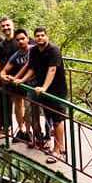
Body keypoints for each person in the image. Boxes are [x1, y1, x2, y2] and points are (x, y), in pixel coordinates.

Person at [14, 26, 67, 163]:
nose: (40, 38)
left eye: (42, 35)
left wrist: (44, 87)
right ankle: (58, 146)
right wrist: (22, 80)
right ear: (34, 37)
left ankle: (59, 149)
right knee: (49, 117)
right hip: (44, 90)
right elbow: (32, 68)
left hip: (57, 90)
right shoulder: (34, 51)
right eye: (37, 36)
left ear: (47, 36)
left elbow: (52, 70)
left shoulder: (53, 50)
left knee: (57, 119)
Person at [0, 28, 35, 143]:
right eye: (18, 40)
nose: (20, 41)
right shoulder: (16, 55)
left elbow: (31, 67)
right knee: (18, 105)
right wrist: (3, 76)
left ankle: (31, 133)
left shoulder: (34, 51)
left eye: (23, 39)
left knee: (29, 109)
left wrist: (17, 78)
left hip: (32, 84)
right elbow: (4, 70)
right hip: (19, 84)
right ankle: (22, 130)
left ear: (28, 39)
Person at [0, 17, 19, 135]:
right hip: (5, 78)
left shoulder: (20, 39)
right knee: (5, 103)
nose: (6, 28)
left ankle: (26, 133)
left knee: (22, 106)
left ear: (13, 25)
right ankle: (7, 129)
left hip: (19, 79)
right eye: (3, 26)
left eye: (8, 25)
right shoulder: (2, 44)